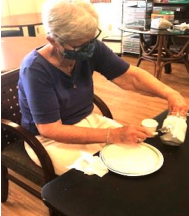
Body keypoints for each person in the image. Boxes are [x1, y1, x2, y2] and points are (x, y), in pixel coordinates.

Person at [18, 0, 188, 175]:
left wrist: (170, 93)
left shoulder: (90, 47)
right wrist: (111, 135)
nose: (89, 48)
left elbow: (130, 77)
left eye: (92, 39)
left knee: (135, 153)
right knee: (97, 175)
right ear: (53, 40)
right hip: (47, 139)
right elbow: (50, 129)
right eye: (80, 45)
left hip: (88, 119)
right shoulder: (35, 69)